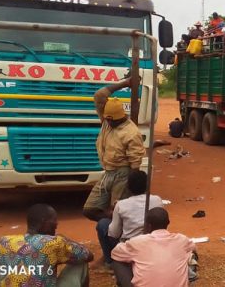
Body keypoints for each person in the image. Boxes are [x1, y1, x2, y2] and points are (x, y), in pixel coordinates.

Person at [82, 78, 146, 222]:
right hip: (108, 172)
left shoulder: (131, 133)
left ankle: (117, 233)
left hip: (123, 175)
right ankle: (112, 223)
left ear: (121, 117)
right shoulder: (107, 121)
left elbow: (135, 165)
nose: (108, 123)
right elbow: (99, 95)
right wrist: (124, 84)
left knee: (117, 210)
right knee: (90, 210)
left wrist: (132, 189)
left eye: (112, 121)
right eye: (107, 120)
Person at [0, 204, 94, 286]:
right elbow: (88, 255)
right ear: (44, 222)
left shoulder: (3, 241)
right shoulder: (54, 242)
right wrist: (65, 239)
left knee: (2, 261)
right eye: (54, 221)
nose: (56, 225)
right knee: (81, 261)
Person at [111, 208, 196, 287]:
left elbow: (115, 253)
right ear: (168, 222)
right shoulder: (181, 240)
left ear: (148, 225)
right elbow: (193, 248)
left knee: (118, 261)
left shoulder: (137, 242)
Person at [97, 171, 162, 270]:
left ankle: (110, 262)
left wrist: (116, 213)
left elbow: (113, 233)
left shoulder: (121, 204)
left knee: (103, 224)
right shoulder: (157, 200)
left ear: (128, 187)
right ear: (147, 185)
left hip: (130, 246)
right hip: (152, 243)